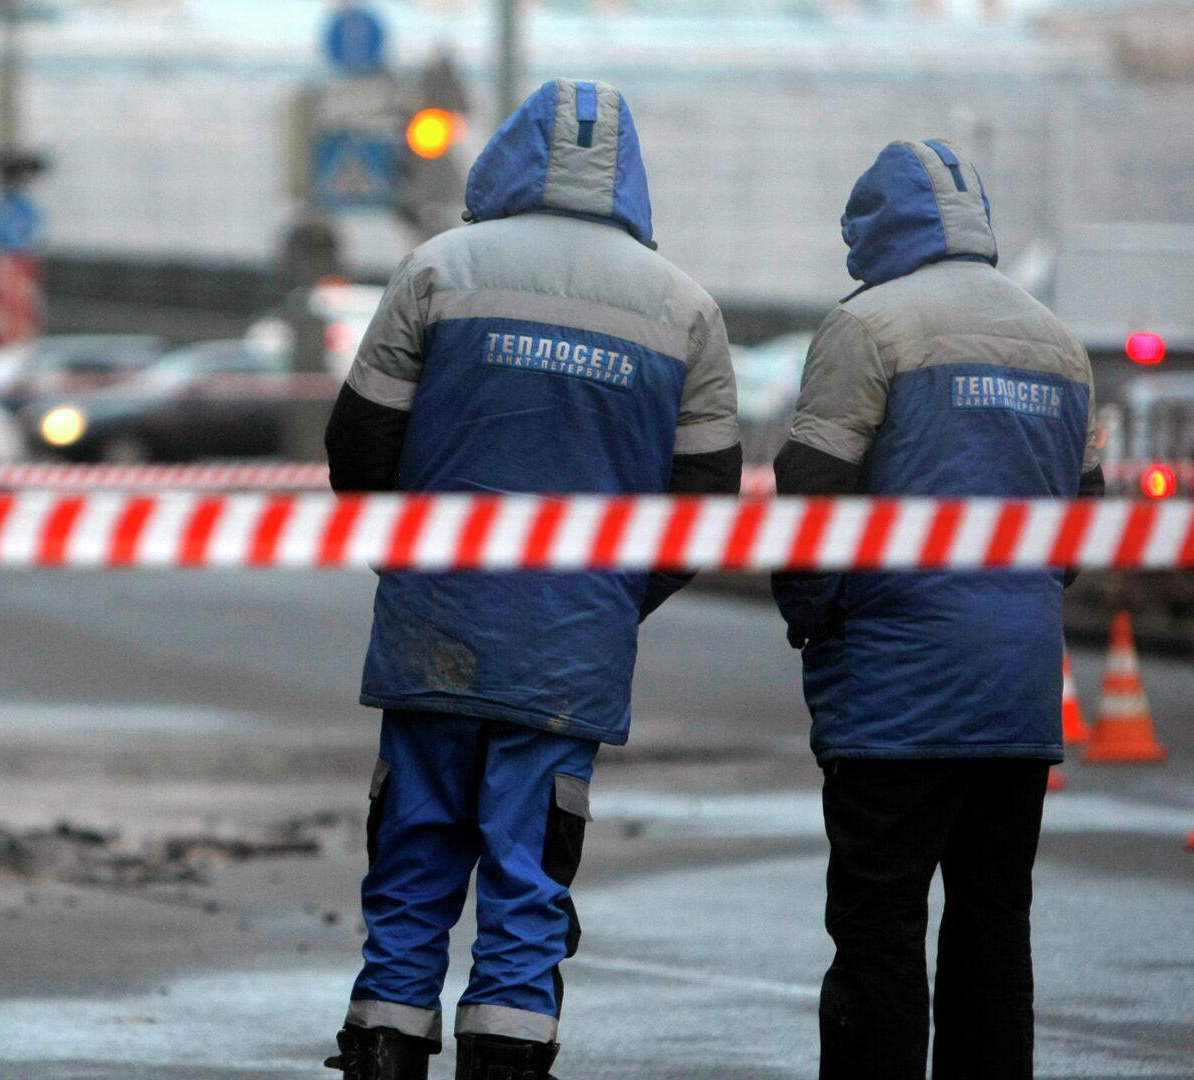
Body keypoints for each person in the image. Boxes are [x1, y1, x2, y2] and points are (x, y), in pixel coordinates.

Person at [321, 79, 741, 1080]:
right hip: (570, 647)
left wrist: (422, 568)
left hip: (436, 625)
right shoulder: (687, 310)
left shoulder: (437, 270)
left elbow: (358, 446)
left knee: (414, 855)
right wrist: (607, 598)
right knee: (527, 876)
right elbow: (703, 503)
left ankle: (383, 1048)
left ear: (506, 155)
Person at [771, 140, 1103, 1079]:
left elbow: (813, 501)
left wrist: (815, 615)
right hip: (1019, 692)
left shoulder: (868, 327)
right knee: (995, 931)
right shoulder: (1059, 343)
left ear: (875, 228)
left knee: (879, 930)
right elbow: (1083, 530)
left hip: (894, 693)